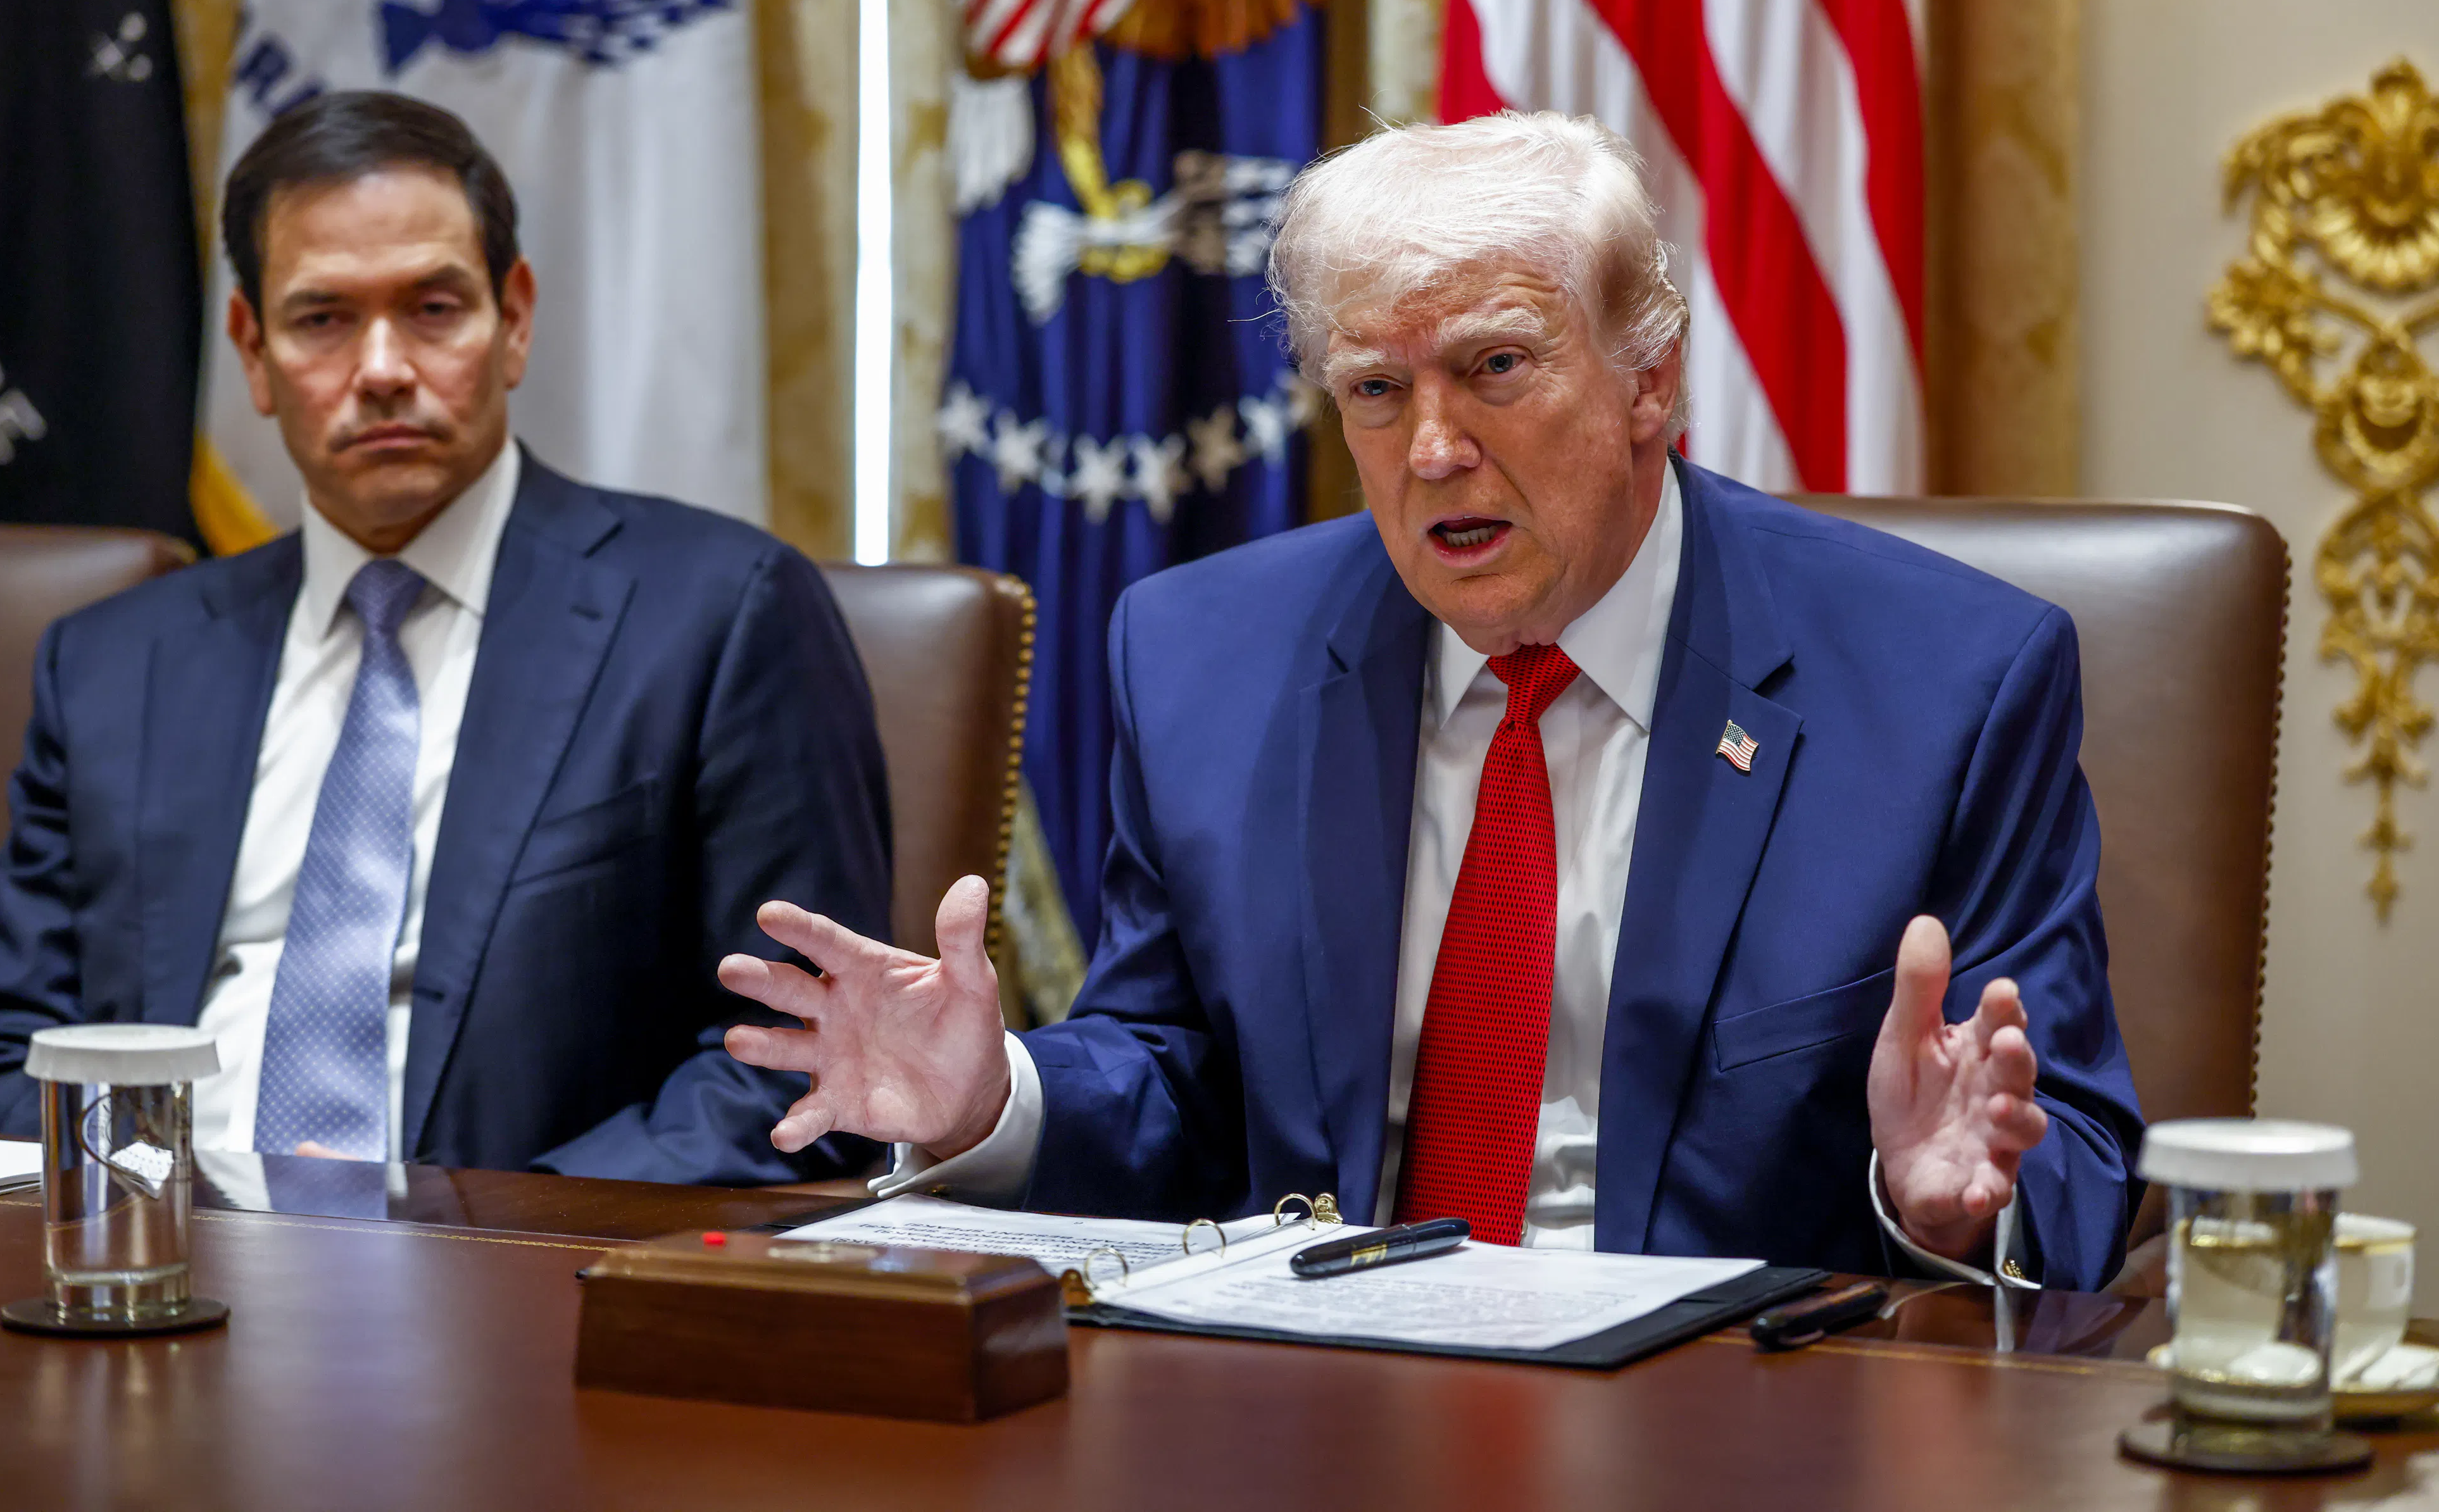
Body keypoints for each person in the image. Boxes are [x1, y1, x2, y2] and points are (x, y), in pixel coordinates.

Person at [720, 112, 2143, 1289]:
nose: (1435, 448)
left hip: (1726, 1426)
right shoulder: (1202, 653)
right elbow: (1177, 1077)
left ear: (1648, 379)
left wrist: (1950, 1199)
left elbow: (2069, 1158)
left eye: (1495, 367)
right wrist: (997, 1097)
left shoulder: (1943, 681)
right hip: (1318, 1409)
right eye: (1376, 389)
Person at [0, 91, 890, 1187]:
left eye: (433, 309)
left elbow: (798, 1063)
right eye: (323, 318)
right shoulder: (114, 666)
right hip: (164, 1285)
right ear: (251, 349)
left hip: (516, 1297)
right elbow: (4, 1070)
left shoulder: (719, 616)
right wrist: (173, 1222)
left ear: (514, 317)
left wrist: (468, 1245)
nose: (382, 367)